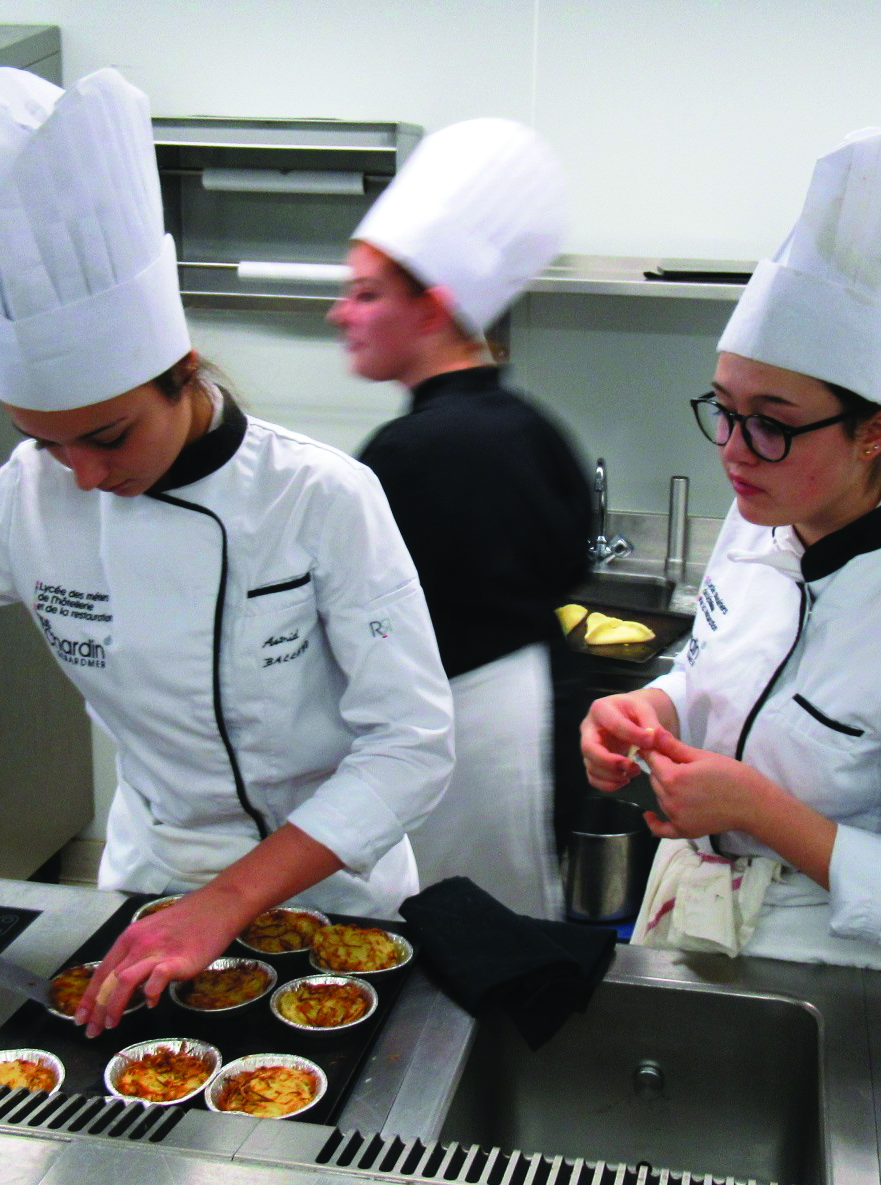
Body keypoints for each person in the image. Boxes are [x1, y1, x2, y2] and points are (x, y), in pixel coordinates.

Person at [0, 67, 454, 1034]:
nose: (80, 476)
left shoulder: (321, 497)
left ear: (178, 374)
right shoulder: (29, 501)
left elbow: (411, 747)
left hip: (332, 895)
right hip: (148, 895)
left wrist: (230, 901)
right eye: (49, 441)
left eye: (108, 436)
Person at [580, 129, 881, 974]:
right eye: (724, 408)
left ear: (875, 432)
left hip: (846, 986)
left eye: (773, 424)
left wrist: (761, 809)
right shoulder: (763, 509)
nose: (734, 450)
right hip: (698, 926)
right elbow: (726, 663)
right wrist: (657, 707)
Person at [328, 119, 592, 919]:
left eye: (367, 293)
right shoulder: (534, 426)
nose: (343, 314)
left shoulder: (410, 453)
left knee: (464, 951)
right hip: (534, 722)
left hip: (468, 749)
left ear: (434, 310)